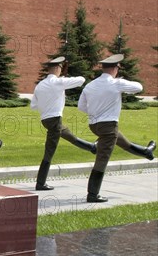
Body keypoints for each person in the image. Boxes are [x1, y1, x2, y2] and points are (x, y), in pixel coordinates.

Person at [78, 54, 155, 203]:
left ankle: (147, 152)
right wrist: (121, 81)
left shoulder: (90, 85)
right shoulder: (116, 83)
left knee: (124, 143)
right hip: (108, 125)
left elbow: (81, 106)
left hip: (95, 125)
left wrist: (95, 112)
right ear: (115, 68)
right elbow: (139, 87)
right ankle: (92, 194)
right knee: (102, 159)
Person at [31, 56, 97, 190]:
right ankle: (40, 183)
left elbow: (33, 105)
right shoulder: (58, 82)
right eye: (60, 68)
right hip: (55, 119)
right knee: (49, 151)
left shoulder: (40, 85)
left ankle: (91, 147)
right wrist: (63, 82)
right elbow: (81, 80)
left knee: (68, 135)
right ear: (56, 69)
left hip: (45, 120)